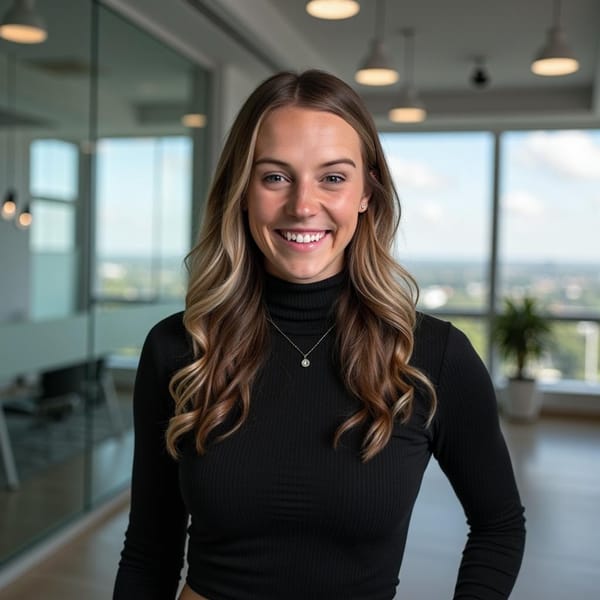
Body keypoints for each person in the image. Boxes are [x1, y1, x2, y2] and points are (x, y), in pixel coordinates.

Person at [113, 69, 525, 600]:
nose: (303, 205)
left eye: (332, 177)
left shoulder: (432, 355)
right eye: (275, 177)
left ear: (365, 193)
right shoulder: (180, 348)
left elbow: (499, 526)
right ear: (242, 191)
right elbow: (150, 548)